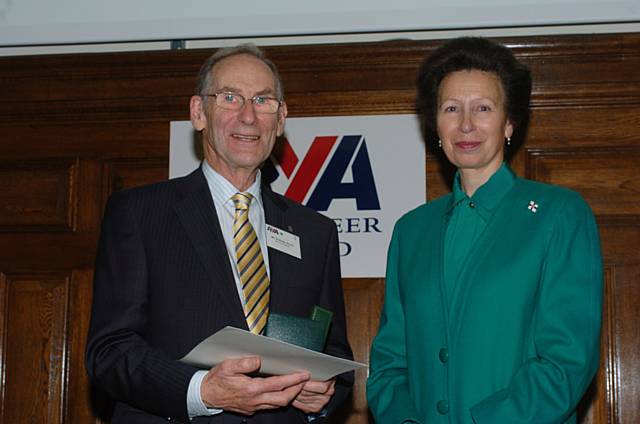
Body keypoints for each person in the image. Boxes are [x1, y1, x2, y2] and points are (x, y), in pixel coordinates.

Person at [86, 44, 353, 423]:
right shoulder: (140, 213)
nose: (248, 117)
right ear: (198, 112)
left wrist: (324, 395)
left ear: (280, 119)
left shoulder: (315, 231)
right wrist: (201, 391)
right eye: (230, 98)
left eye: (263, 100)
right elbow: (109, 353)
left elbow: (334, 353)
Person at [367, 37, 602, 423]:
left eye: (483, 108)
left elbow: (567, 360)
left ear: (509, 122)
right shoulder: (411, 231)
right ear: (435, 125)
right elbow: (391, 361)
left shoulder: (559, 215)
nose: (466, 124)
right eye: (450, 109)